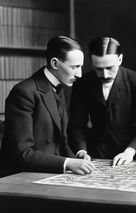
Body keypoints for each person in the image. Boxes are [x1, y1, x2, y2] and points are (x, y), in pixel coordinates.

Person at [0, 35, 94, 176]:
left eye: (80, 67)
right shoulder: (24, 92)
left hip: (48, 172)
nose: (79, 74)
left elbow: (61, 143)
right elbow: (22, 154)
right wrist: (67, 163)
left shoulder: (59, 88)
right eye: (74, 67)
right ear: (55, 64)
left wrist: (77, 158)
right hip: (20, 177)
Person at [68, 36, 136, 166]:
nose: (105, 75)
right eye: (98, 69)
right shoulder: (82, 83)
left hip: (130, 157)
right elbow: (76, 126)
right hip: (93, 157)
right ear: (91, 62)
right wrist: (81, 151)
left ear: (120, 59)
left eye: (109, 68)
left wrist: (129, 152)